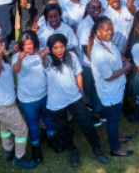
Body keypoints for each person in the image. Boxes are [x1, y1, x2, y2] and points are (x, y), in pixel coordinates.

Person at [45, 33, 109, 166]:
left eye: (62, 47)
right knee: (63, 129)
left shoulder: (72, 56)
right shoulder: (47, 61)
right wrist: (43, 52)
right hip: (56, 103)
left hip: (75, 98)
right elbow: (41, 61)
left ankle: (96, 149)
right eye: (55, 48)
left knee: (86, 124)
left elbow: (78, 75)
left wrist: (81, 94)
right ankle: (72, 150)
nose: (59, 50)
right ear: (50, 49)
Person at [0, 37, 37, 169]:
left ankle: (8, 151)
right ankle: (19, 158)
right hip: (2, 106)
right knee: (21, 130)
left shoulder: (2, 60)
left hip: (5, 103)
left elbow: (7, 73)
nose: (0, 45)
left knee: (5, 127)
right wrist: (0, 54)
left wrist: (10, 54)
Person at [88, 17, 135, 157]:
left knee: (115, 117)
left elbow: (117, 54)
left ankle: (116, 136)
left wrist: (124, 60)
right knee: (112, 120)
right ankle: (115, 148)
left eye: (111, 29)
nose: (110, 32)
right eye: (106, 30)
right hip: (109, 93)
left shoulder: (108, 42)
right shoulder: (98, 52)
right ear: (98, 32)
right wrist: (126, 69)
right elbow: (108, 76)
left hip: (117, 89)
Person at [12, 30, 60, 163]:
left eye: (31, 44)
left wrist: (43, 58)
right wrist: (20, 59)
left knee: (48, 119)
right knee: (33, 124)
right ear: (21, 45)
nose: (28, 47)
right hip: (28, 99)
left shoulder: (40, 53)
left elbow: (47, 69)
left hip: (44, 94)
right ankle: (35, 146)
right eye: (25, 44)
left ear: (35, 43)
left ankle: (52, 139)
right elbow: (15, 70)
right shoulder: (17, 57)